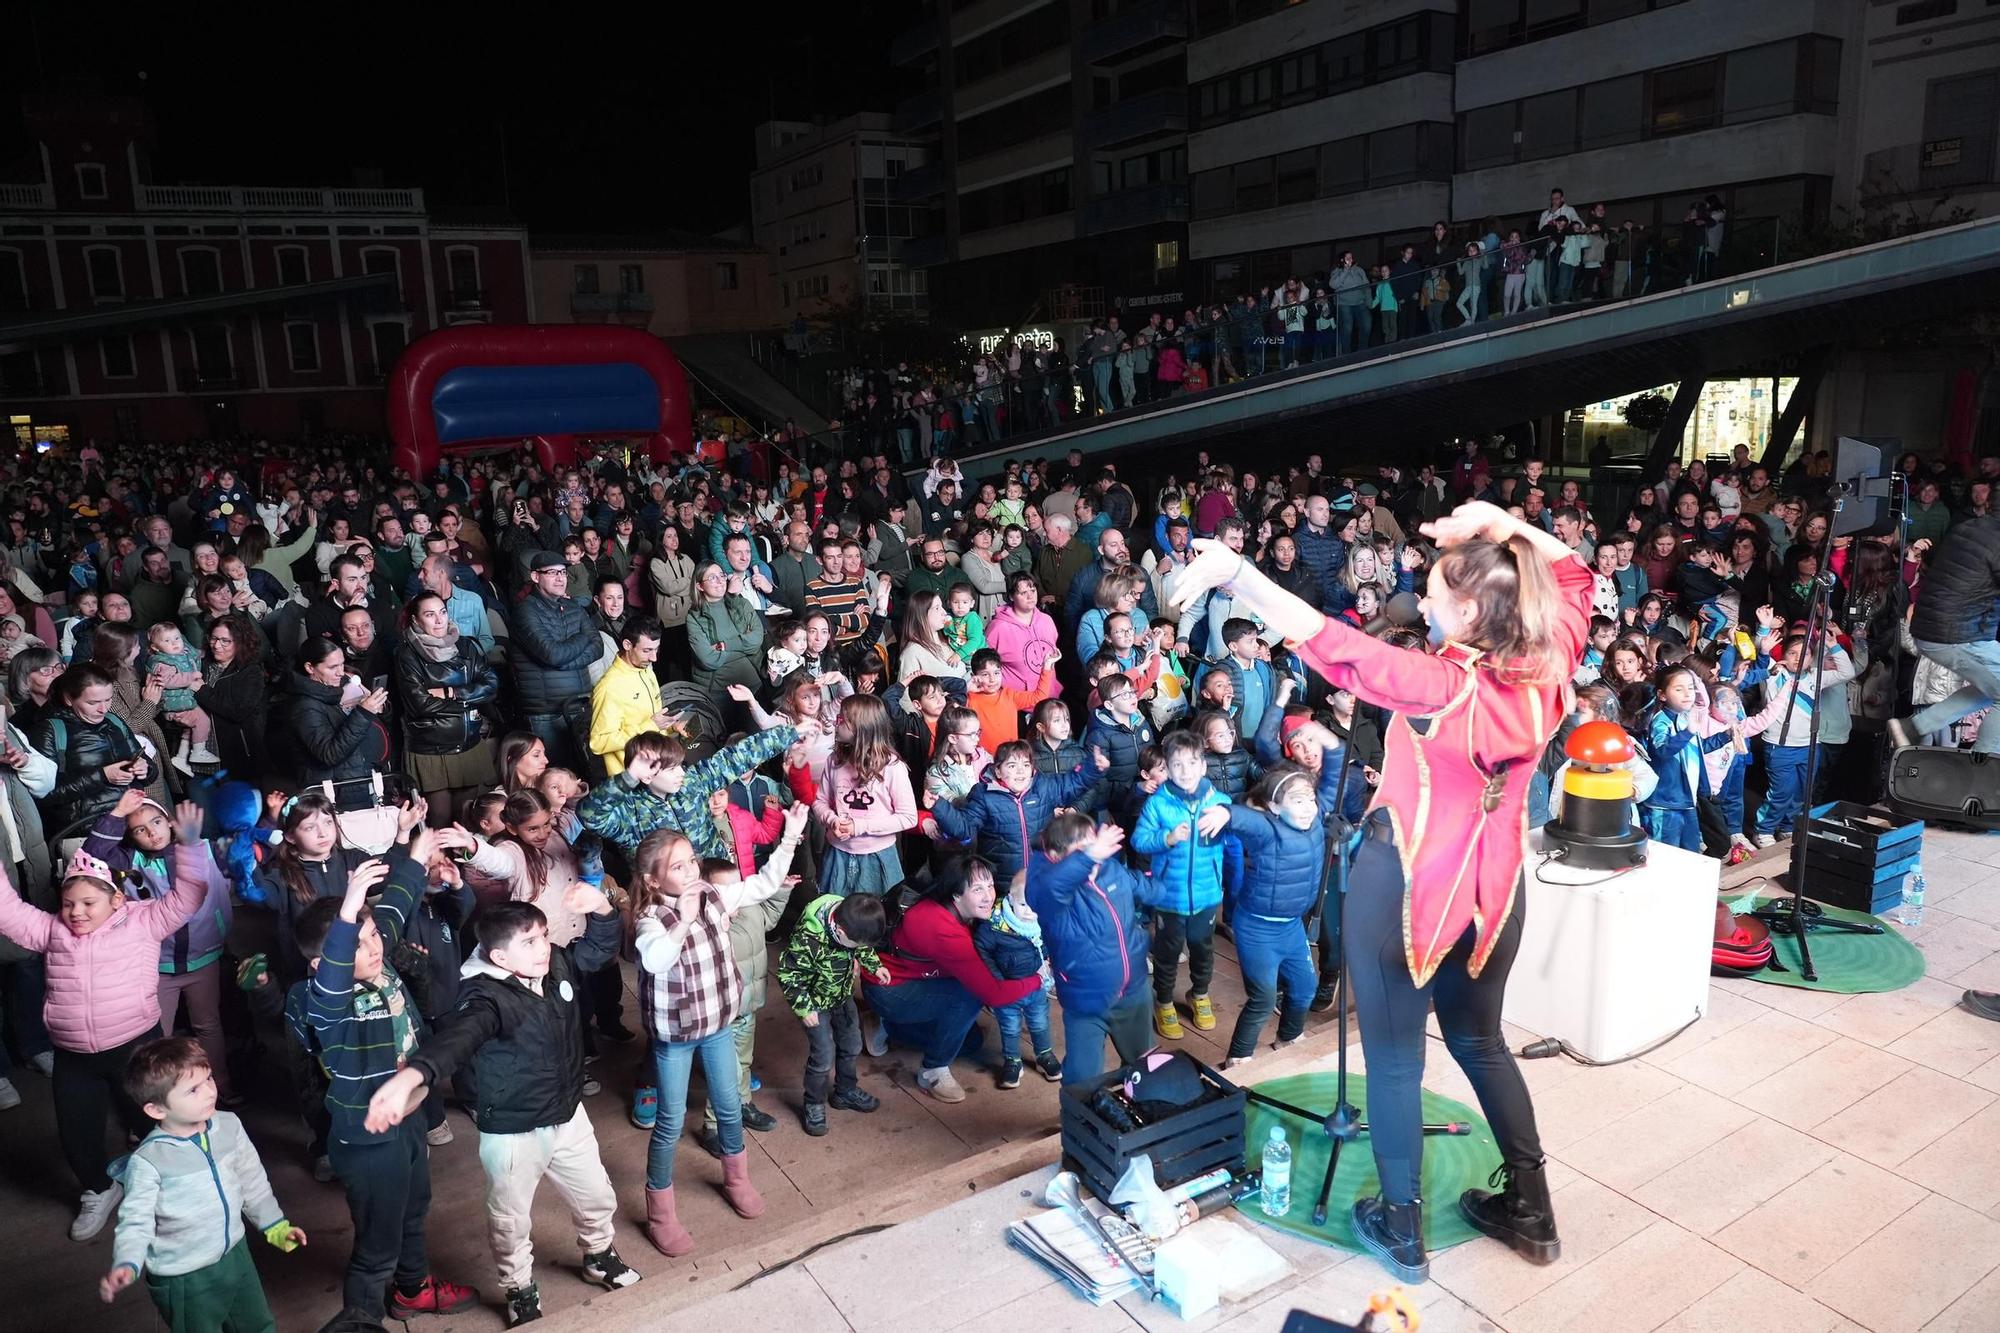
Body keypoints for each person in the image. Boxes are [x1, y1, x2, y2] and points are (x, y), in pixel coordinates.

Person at [1170, 497, 1589, 1282]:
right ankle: (1532, 1208)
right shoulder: (1552, 667)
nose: (1421, 602)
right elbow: (1574, 574)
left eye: (1432, 593)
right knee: (1482, 1042)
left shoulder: (1442, 684)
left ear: (1468, 610)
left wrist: (1237, 573)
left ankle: (1403, 1229)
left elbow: (1336, 646)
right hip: (1496, 892)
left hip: (1409, 887)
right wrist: (1502, 522)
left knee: (1394, 1062)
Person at [361, 888, 642, 1328]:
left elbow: (599, 948)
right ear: (499, 957)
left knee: (597, 1196)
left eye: (544, 936)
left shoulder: (556, 966)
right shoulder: (482, 998)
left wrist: (605, 910)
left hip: (568, 1116)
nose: (543, 948)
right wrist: (415, 1076)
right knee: (510, 1221)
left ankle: (599, 1256)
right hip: (512, 1132)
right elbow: (457, 1040)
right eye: (529, 942)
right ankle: (520, 1288)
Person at [297, 826, 476, 1323]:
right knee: (377, 1245)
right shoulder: (324, 1001)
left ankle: (412, 1289)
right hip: (368, 1141)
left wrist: (415, 858)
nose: (373, 947)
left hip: (410, 1119)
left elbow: (394, 908)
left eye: (371, 937)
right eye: (358, 943)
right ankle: (361, 1319)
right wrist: (349, 912)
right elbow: (334, 979)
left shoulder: (378, 962)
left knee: (414, 1210)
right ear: (323, 962)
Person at [0, 818, 207, 1240]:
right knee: (76, 1134)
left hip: (138, 1051)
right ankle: (99, 1188)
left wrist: (188, 844)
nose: (76, 912)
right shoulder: (51, 931)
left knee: (155, 1127)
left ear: (115, 901)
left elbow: (188, 896)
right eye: (68, 903)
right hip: (74, 1058)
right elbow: (7, 911)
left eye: (88, 904)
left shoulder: (142, 921)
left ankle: (170, 1190)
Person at [630, 807, 807, 1257]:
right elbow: (653, 960)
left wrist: (789, 838)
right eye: (678, 866)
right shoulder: (651, 919)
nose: (691, 870)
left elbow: (762, 886)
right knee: (669, 1122)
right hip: (677, 1036)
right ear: (653, 881)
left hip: (717, 1026)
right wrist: (685, 918)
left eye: (691, 860)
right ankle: (661, 1212)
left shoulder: (711, 893)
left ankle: (737, 1179)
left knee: (729, 1106)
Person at [100, 1036, 307, 1328]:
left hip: (236, 1254)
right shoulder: (148, 1162)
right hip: (185, 1276)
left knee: (259, 1326)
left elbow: (252, 1181)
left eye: (208, 1078)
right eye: (193, 1090)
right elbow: (136, 1221)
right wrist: (128, 1261)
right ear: (157, 1110)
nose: (210, 1092)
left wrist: (275, 1226)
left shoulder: (230, 1125)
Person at [861, 855, 1042, 1103]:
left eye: (989, 885)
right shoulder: (943, 929)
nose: (988, 895)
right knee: (971, 996)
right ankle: (930, 1069)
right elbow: (994, 995)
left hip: (917, 976)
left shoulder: (957, 907)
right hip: (889, 990)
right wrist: (1038, 979)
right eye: (977, 889)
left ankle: (889, 1024)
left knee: (972, 1042)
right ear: (956, 895)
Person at [1026, 813, 1166, 1085]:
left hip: (1133, 990)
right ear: (1056, 856)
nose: (1095, 856)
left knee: (1144, 1065)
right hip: (1086, 1001)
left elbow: (1151, 889)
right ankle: (1079, 1121)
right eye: (1082, 851)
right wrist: (1089, 856)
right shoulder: (1047, 889)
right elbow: (1052, 887)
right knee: (1082, 1078)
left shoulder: (1111, 869)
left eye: (1095, 846)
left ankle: (1141, 1111)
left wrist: (1177, 860)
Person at [1132, 731, 1231, 1041]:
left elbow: (1239, 832)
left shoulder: (1219, 801)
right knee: (1168, 951)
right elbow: (1139, 841)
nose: (1185, 770)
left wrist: (1229, 816)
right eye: (1177, 765)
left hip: (1207, 895)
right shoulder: (1158, 804)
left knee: (1203, 948)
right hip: (1169, 897)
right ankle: (1163, 1001)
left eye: (1192, 763)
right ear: (1168, 769)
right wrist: (1167, 838)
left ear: (1203, 766)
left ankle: (1199, 994)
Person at [776, 892, 890, 1135]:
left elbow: (862, 947)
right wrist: (803, 1007)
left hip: (841, 995)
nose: (861, 948)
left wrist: (875, 965)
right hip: (813, 1003)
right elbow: (788, 974)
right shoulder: (809, 937)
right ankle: (813, 1103)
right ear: (839, 930)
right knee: (823, 1056)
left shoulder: (854, 921)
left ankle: (845, 1091)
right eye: (856, 944)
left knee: (852, 1044)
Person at [395, 591, 500, 820]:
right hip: (431, 748)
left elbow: (491, 685)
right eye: (430, 615)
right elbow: (420, 704)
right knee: (439, 822)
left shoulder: (465, 646)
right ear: (416, 620)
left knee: (466, 819)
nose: (439, 620)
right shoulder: (407, 654)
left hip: (469, 743)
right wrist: (470, 703)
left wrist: (451, 692)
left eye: (442, 612)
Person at [512, 550, 601, 773]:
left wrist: (563, 660)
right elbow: (552, 655)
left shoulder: (573, 607)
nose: (561, 578)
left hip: (580, 706)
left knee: (585, 773)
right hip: (547, 713)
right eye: (552, 573)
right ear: (535, 577)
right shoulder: (525, 611)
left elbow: (597, 646)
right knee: (555, 779)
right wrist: (582, 638)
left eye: (563, 572)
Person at [268, 637, 391, 794]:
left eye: (342, 664)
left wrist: (378, 708)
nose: (340, 672)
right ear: (310, 668)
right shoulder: (304, 707)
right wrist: (363, 712)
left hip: (357, 779)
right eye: (333, 667)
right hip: (335, 792)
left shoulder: (338, 688)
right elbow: (329, 754)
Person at [587, 615, 672, 777]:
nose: (654, 657)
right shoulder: (609, 687)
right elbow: (598, 743)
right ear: (627, 645)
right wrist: (651, 725)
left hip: (659, 766)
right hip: (633, 778)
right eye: (647, 651)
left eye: (656, 649)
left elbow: (652, 720)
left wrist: (670, 725)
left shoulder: (645, 669)